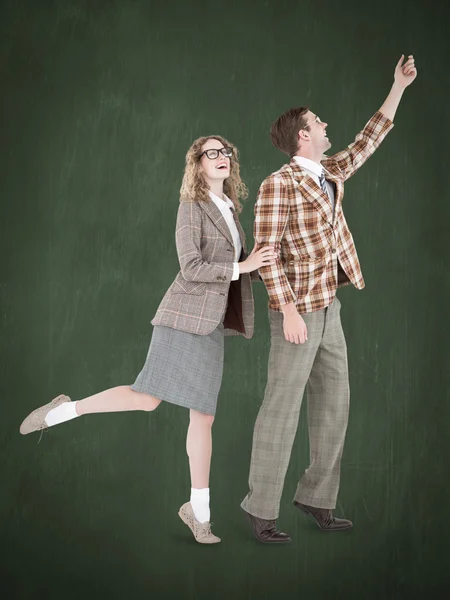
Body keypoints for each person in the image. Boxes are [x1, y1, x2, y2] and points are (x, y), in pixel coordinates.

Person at [19, 135, 276, 545]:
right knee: (147, 398)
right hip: (182, 318)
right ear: (197, 164)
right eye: (212, 153)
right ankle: (64, 411)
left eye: (226, 152)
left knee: (204, 417)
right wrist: (243, 263)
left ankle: (198, 512)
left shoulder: (230, 208)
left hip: (210, 326)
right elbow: (192, 267)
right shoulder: (191, 206)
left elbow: (239, 269)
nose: (222, 157)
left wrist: (261, 264)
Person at [241, 55, 418, 543]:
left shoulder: (329, 171)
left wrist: (397, 87)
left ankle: (317, 497)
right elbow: (266, 255)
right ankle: (261, 510)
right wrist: (291, 310)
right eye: (318, 123)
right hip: (295, 313)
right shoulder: (278, 185)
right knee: (282, 406)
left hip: (330, 307)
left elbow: (369, 139)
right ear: (302, 135)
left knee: (334, 404)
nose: (326, 126)